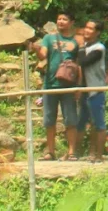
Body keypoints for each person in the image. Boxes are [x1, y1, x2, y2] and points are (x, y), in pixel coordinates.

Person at [32, 12, 80, 160]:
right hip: (50, 85)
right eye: (59, 18)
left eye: (65, 19)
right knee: (49, 120)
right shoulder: (48, 38)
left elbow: (79, 65)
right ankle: (50, 152)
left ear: (71, 22)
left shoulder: (76, 42)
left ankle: (72, 152)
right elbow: (43, 55)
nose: (61, 21)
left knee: (71, 119)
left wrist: (79, 87)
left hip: (68, 87)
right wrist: (36, 49)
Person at [74, 20, 108, 162]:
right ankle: (74, 153)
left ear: (97, 32)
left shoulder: (99, 48)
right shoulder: (85, 47)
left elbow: (83, 62)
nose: (87, 31)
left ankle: (98, 155)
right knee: (80, 122)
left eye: (90, 28)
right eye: (86, 27)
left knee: (98, 123)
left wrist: (81, 45)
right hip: (84, 91)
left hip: (96, 91)